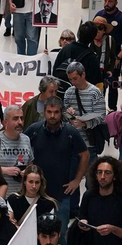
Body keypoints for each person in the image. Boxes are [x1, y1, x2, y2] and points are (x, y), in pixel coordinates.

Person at [25, 98, 90, 232]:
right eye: (49, 112)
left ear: (62, 113)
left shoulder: (71, 133)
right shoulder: (34, 129)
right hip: (36, 192)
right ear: (44, 112)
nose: (52, 116)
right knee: (34, 232)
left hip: (62, 193)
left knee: (60, 233)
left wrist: (77, 180)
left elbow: (85, 155)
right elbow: (21, 146)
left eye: (56, 112)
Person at [62, 63, 109, 153]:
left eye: (75, 78)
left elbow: (101, 117)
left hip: (89, 142)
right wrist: (68, 114)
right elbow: (64, 114)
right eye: (70, 79)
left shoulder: (95, 93)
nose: (73, 82)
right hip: (71, 141)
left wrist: (85, 124)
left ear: (83, 75)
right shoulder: (69, 92)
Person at [0, 104, 34, 185]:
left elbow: (30, 164)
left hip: (21, 193)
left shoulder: (26, 139)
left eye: (21, 118)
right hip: (1, 193)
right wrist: (4, 170)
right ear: (5, 122)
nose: (20, 122)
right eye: (15, 119)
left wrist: (27, 171)